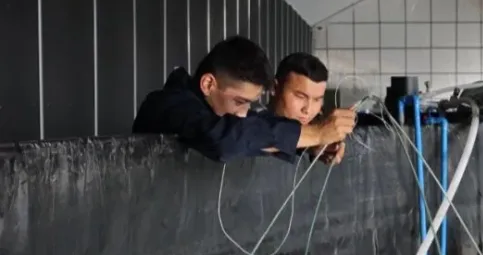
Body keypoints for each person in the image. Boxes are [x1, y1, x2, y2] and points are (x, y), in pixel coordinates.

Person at [133, 36, 355, 162]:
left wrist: (311, 146)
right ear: (208, 84)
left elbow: (251, 135)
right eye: (239, 101)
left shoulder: (215, 110)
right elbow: (225, 138)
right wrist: (316, 133)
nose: (242, 113)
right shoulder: (169, 105)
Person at [269, 52, 349, 166]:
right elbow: (261, 137)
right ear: (275, 88)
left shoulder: (306, 142)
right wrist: (318, 135)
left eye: (317, 100)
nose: (308, 110)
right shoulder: (248, 122)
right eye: (300, 97)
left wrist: (314, 148)